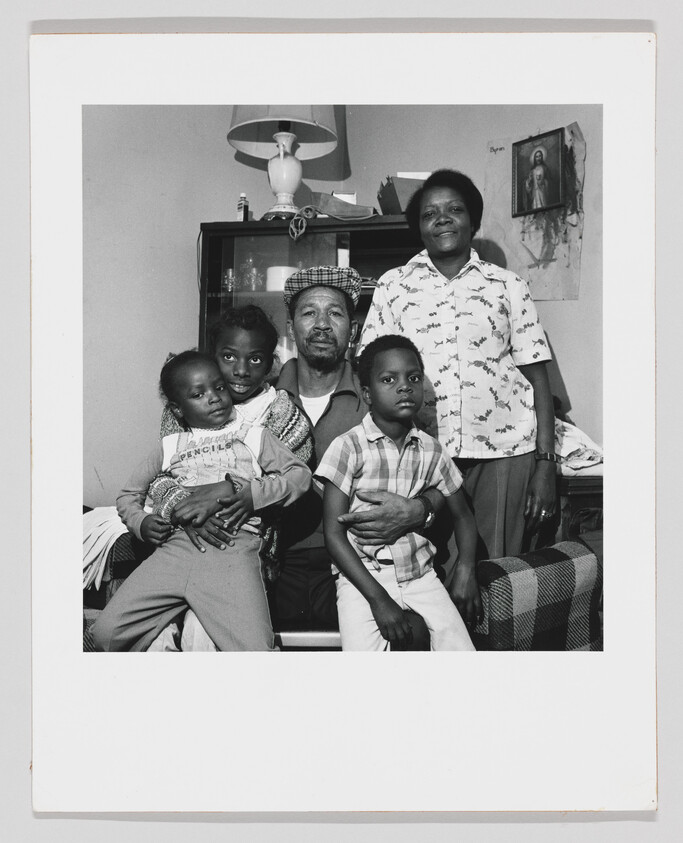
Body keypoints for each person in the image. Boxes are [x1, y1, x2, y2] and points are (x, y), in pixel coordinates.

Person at [358, 169, 558, 563]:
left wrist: (545, 465)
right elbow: (371, 372)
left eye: (454, 209)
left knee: (495, 573)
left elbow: (538, 379)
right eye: (430, 214)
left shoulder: (508, 285)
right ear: (419, 228)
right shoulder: (393, 286)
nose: (442, 219)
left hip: (503, 455)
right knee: (423, 570)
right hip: (420, 453)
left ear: (473, 220)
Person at [91, 351, 311, 652]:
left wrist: (252, 494)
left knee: (255, 650)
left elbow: (299, 475)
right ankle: (168, 626)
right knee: (106, 633)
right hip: (174, 550)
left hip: (232, 548)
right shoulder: (170, 445)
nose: (214, 398)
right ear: (178, 409)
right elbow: (129, 495)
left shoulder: (255, 436)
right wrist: (141, 523)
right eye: (198, 394)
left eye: (219, 387)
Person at [272, 266, 444, 633]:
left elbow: (438, 477)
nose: (321, 324)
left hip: (362, 563)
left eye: (334, 313)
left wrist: (418, 509)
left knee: (409, 633)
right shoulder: (265, 398)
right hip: (277, 561)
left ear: (352, 330)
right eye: (309, 313)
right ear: (290, 327)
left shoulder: (378, 394)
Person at [317, 335, 479, 651]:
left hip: (422, 578)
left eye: (413, 378)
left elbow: (463, 515)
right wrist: (378, 599)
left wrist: (466, 568)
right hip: (363, 581)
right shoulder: (348, 447)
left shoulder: (432, 450)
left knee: (462, 655)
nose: (404, 387)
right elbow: (333, 536)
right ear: (367, 393)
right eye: (389, 380)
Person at [525, 147, 552, 211]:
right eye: (537, 157)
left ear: (542, 157)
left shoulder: (545, 168)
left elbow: (550, 180)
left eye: (540, 156)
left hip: (543, 191)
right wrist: (528, 181)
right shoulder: (532, 170)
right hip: (534, 192)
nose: (538, 158)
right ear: (535, 158)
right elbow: (529, 182)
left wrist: (544, 182)